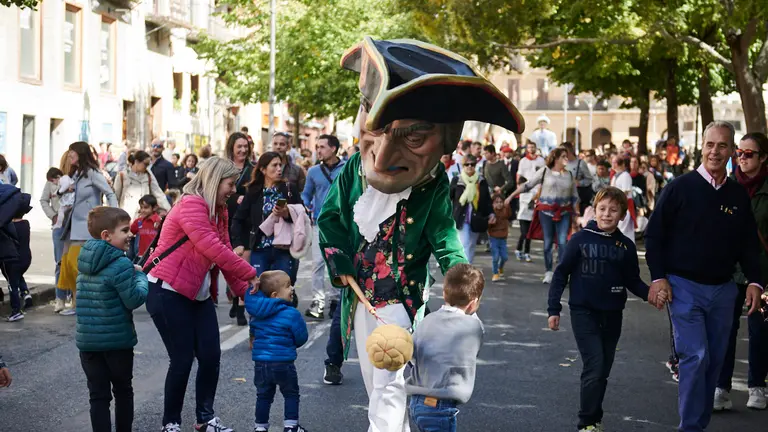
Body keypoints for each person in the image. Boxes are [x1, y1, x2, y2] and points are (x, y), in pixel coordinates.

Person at [319, 37, 522, 432]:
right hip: (362, 299)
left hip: (399, 300)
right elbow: (330, 218)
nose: (381, 156)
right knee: (373, 377)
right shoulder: (351, 172)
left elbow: (444, 237)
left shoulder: (431, 188)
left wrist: (461, 279)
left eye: (413, 138)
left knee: (391, 379)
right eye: (377, 127)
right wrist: (338, 260)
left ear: (444, 144)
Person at [645, 121, 764, 432]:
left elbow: (749, 243)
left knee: (713, 360)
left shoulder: (738, 195)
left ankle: (698, 422)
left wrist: (755, 281)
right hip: (683, 287)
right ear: (702, 147)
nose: (715, 151)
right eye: (710, 145)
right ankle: (691, 427)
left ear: (731, 151)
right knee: (695, 356)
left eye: (722, 146)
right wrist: (658, 278)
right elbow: (654, 237)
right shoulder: (679, 188)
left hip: (724, 291)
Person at [144, 156, 259, 432]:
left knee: (210, 356)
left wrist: (248, 295)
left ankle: (205, 419)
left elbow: (225, 253)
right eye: (230, 184)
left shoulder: (218, 208)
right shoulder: (191, 205)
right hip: (168, 291)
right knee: (182, 359)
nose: (234, 190)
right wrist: (251, 273)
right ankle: (170, 423)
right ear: (214, 180)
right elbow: (212, 248)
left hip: (198, 293)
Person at [548, 187, 662, 432]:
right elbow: (561, 274)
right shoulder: (580, 239)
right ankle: (586, 422)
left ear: (622, 215)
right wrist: (553, 308)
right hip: (583, 312)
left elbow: (632, 280)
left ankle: (595, 417)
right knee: (595, 364)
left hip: (612, 314)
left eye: (613, 210)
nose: (607, 214)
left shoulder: (626, 246)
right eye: (602, 209)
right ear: (594, 211)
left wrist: (650, 295)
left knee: (603, 370)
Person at [76, 206, 149, 432]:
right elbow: (134, 299)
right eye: (125, 230)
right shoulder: (121, 264)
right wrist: (140, 275)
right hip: (117, 343)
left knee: (97, 396)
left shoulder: (84, 262)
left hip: (88, 343)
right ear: (106, 235)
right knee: (123, 391)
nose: (131, 234)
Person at [714, 131, 768, 411]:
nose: (743, 158)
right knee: (725, 328)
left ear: (764, 157)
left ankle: (757, 385)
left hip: (763, 273)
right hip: (729, 271)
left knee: (760, 330)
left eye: (749, 153)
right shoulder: (727, 185)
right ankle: (721, 387)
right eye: (740, 153)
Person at [405, 264, 485, 432]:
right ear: (473, 303)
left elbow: (412, 355)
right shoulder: (473, 327)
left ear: (443, 294)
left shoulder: (427, 321)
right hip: (441, 406)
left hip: (417, 402)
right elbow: (475, 328)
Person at [231, 151, 302, 321]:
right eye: (274, 165)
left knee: (284, 291)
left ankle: (283, 329)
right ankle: (256, 331)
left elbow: (302, 214)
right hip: (260, 249)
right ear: (263, 169)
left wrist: (286, 213)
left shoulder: (288, 189)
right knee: (258, 291)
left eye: (280, 165)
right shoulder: (254, 192)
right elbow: (238, 219)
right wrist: (238, 243)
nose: (279, 169)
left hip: (283, 249)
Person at [58, 142, 119, 316]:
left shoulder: (92, 173)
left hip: (88, 227)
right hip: (72, 226)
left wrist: (114, 214)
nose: (69, 156)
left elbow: (109, 192)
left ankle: (84, 303)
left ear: (81, 154)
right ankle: (77, 303)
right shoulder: (76, 174)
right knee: (69, 265)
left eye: (72, 153)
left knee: (79, 265)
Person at [245, 270, 309, 432]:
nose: (292, 288)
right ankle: (290, 426)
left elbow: (253, 332)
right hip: (284, 362)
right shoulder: (291, 313)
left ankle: (260, 427)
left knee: (263, 396)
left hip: (261, 363)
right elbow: (301, 337)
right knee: (291, 394)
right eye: (288, 286)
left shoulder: (257, 315)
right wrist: (289, 344)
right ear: (274, 295)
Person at [506, 147, 580, 283]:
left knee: (563, 243)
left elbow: (575, 196)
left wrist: (577, 214)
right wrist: (511, 196)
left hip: (564, 212)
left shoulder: (569, 175)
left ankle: (562, 273)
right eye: (563, 156)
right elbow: (528, 185)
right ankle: (548, 272)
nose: (566, 159)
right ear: (556, 158)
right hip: (546, 212)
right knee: (548, 243)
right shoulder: (545, 171)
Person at [302, 135, 345, 320]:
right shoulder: (313, 171)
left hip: (342, 224)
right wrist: (305, 205)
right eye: (317, 147)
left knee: (336, 262)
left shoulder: (347, 168)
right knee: (317, 264)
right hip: (319, 223)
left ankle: (336, 300)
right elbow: (306, 194)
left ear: (333, 148)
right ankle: (318, 302)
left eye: (322, 147)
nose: (318, 150)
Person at [224, 132, 255, 318]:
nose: (243, 150)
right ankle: (234, 296)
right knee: (228, 260)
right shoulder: (224, 167)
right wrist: (236, 197)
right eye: (239, 146)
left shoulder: (253, 169)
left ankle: (242, 302)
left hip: (245, 222)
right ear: (232, 148)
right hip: (226, 218)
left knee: (242, 260)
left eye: (245, 146)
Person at [450, 155, 493, 264]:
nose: (470, 167)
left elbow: (487, 200)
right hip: (461, 217)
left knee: (472, 245)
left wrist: (491, 213)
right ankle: (464, 271)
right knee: (465, 243)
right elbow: (448, 198)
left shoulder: (481, 181)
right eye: (467, 164)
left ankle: (466, 268)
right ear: (462, 166)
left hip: (476, 217)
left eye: (472, 164)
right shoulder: (457, 180)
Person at [0, 184, 32, 321]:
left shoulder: (8, 226)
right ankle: (25, 293)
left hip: (11, 261)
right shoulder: (25, 224)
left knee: (12, 285)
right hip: (25, 259)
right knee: (18, 278)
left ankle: (16, 310)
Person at [114, 150, 171, 219]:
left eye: (148, 164)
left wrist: (169, 211)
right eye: (145, 164)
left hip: (144, 217)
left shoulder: (149, 176)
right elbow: (115, 197)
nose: (147, 167)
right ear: (136, 162)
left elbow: (158, 193)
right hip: (126, 217)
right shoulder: (122, 175)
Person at [40, 167, 66, 310]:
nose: (55, 181)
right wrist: (52, 215)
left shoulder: (70, 181)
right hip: (58, 226)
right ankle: (60, 298)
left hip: (74, 225)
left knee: (74, 262)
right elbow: (43, 200)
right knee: (60, 262)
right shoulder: (50, 184)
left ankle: (73, 296)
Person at [610, 156, 635, 243]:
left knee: (624, 232)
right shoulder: (615, 176)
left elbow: (625, 192)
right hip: (615, 206)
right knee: (619, 230)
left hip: (624, 206)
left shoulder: (625, 176)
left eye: (615, 163)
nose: (613, 165)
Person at [563, 142, 594, 215]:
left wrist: (579, 183)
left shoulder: (580, 163)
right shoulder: (561, 163)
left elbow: (589, 179)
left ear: (569, 151)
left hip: (577, 198)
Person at [487, 193, 511, 281]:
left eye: (501, 202)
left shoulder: (505, 212)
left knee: (505, 257)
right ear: (493, 203)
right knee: (495, 257)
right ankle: (495, 273)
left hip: (503, 238)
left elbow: (509, 213)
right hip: (493, 238)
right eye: (496, 202)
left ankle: (500, 267)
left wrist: (507, 205)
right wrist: (489, 223)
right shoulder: (491, 213)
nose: (499, 204)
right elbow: (487, 226)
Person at [130, 195, 162, 259]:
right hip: (141, 255)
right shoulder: (139, 221)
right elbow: (131, 232)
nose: (143, 210)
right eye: (141, 207)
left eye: (146, 207)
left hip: (154, 254)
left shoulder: (158, 221)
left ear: (154, 208)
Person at [515, 176, 534, 263]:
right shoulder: (522, 194)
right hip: (522, 216)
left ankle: (527, 252)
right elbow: (532, 198)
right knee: (524, 233)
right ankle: (518, 249)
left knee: (529, 235)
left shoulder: (531, 191)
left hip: (530, 216)